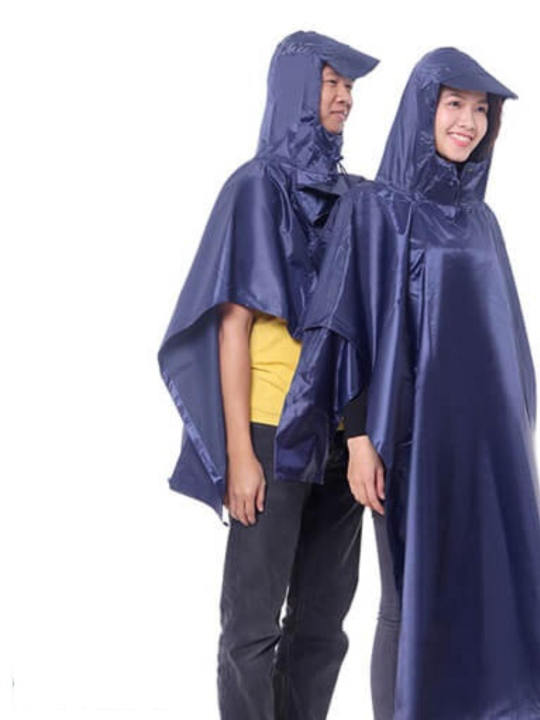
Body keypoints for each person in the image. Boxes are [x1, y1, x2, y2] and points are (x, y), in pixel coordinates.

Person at [274, 47, 540, 719]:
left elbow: (503, 341)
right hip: (408, 438)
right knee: (406, 596)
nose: (469, 122)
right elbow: (345, 323)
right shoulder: (376, 208)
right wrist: (360, 438)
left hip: (490, 444)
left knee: (485, 588)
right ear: (423, 109)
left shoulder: (482, 221)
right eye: (454, 104)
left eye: (481, 110)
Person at [157, 31, 378, 720]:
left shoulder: (355, 197)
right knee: (252, 627)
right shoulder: (255, 187)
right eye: (331, 83)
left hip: (339, 435)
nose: (344, 97)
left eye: (348, 87)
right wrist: (240, 455)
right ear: (296, 90)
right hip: (270, 431)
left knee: (323, 624)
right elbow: (232, 328)